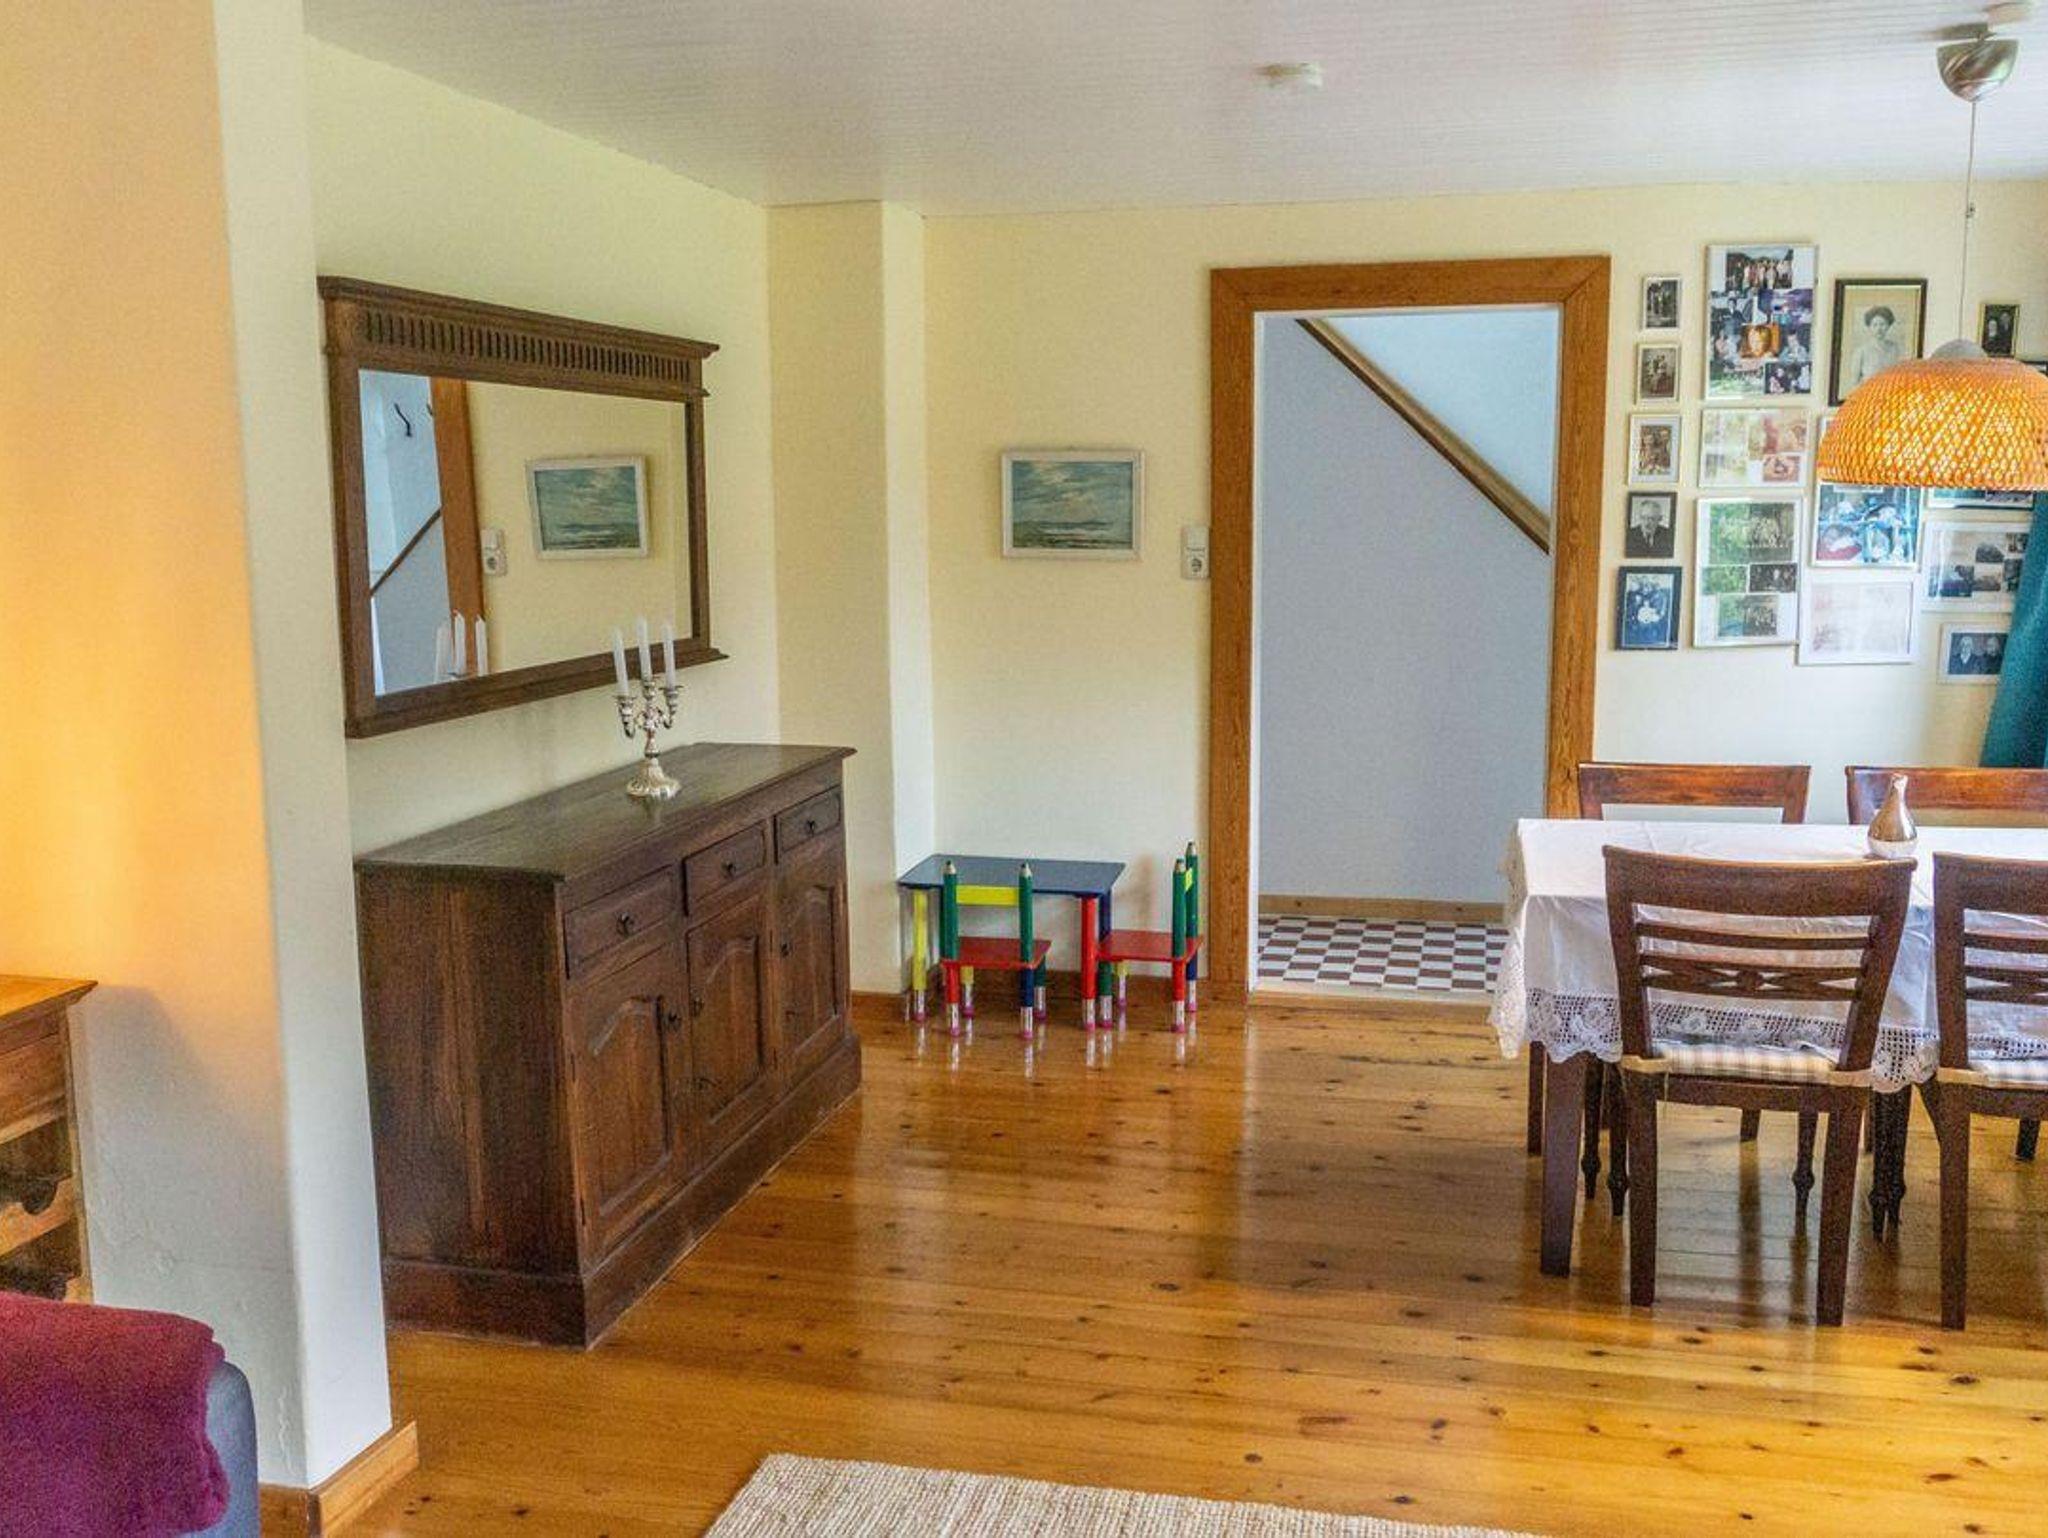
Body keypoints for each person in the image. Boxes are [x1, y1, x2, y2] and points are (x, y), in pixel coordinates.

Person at [1843, 305, 1904, 390]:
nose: (1879, 329)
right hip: (1868, 394)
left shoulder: (1895, 349)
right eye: (1875, 325)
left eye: (1882, 324)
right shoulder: (1861, 351)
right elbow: (1854, 383)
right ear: (1869, 327)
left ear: (1888, 325)